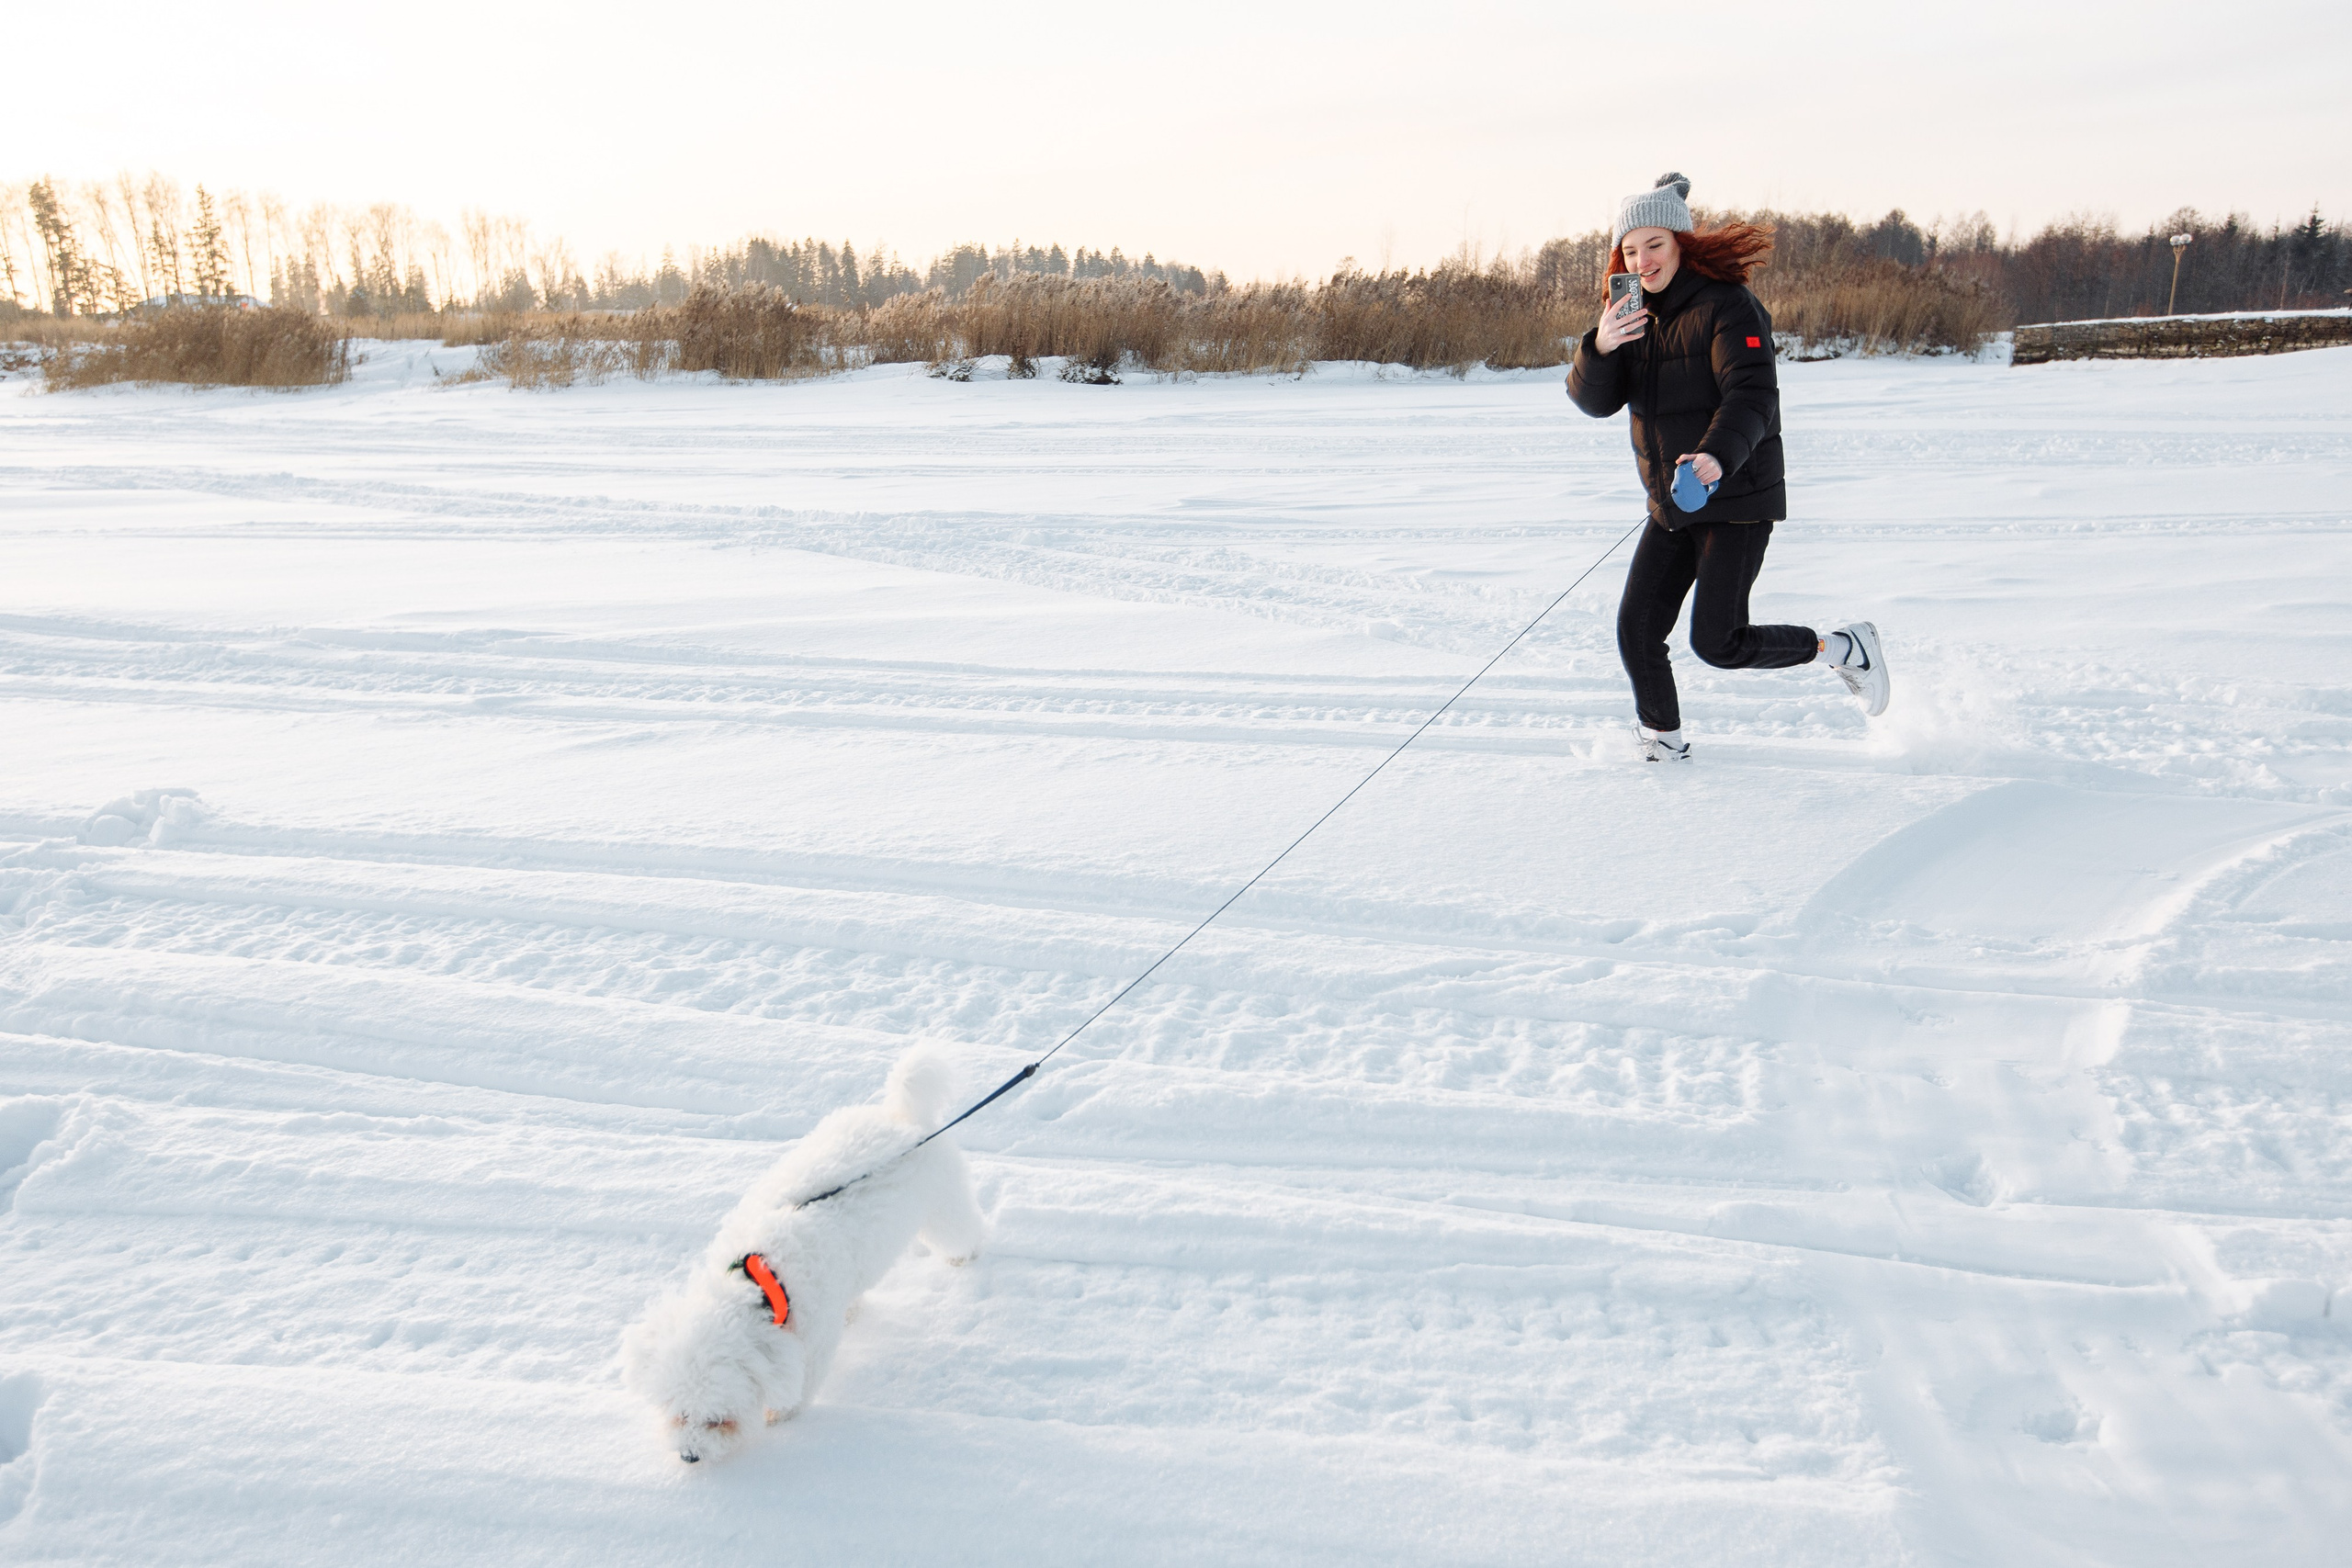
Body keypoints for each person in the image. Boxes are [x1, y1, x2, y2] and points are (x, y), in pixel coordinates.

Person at [1568, 173, 1887, 761]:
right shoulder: (1631, 318)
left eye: (1654, 245)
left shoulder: (1729, 306)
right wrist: (1602, 346)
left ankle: (1844, 648)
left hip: (1736, 496)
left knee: (1718, 642)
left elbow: (1753, 396)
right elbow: (1595, 402)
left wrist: (1716, 456)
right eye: (1630, 250)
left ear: (1682, 243)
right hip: (1674, 500)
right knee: (1637, 631)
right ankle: (1662, 742)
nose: (1642, 261)